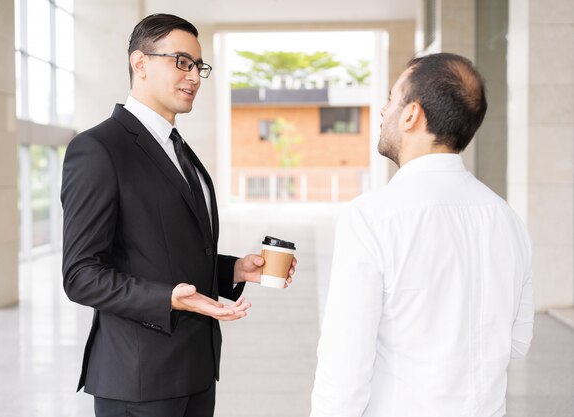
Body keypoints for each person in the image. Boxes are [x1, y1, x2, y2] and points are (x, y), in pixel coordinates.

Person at [61, 13, 296, 417]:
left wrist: (234, 271)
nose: (194, 77)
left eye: (198, 66)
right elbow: (81, 275)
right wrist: (168, 298)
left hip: (195, 371)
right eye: (181, 62)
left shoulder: (178, 149)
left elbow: (165, 251)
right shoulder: (99, 149)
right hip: (139, 380)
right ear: (140, 63)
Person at [310, 52, 533, 417]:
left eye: (391, 99)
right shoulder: (507, 219)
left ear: (412, 114)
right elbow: (517, 341)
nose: (383, 112)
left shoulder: (371, 217)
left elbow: (345, 363)